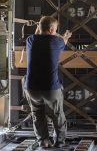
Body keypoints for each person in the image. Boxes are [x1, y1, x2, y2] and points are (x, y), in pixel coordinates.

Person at [24, 16, 72, 148]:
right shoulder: (57, 42)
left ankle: (43, 141)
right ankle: (59, 142)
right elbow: (63, 41)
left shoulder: (30, 40)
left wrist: (41, 27)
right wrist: (66, 36)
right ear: (51, 29)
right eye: (55, 29)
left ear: (39, 28)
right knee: (57, 115)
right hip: (50, 89)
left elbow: (37, 36)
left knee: (37, 115)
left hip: (31, 88)